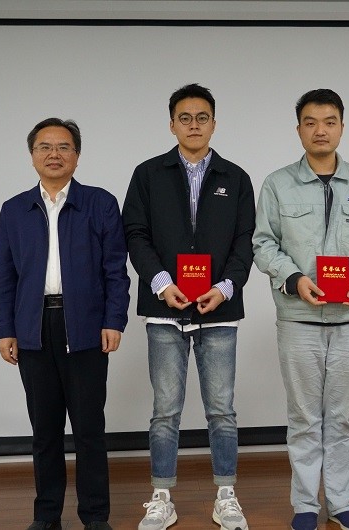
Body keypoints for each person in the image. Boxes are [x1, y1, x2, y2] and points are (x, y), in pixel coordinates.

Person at [252, 88, 349, 530]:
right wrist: (295, 278)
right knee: (303, 417)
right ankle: (305, 506)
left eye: (329, 122)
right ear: (299, 129)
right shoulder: (278, 184)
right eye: (311, 122)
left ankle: (340, 502)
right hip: (298, 319)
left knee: (342, 417)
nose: (320, 130)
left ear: (341, 128)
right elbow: (263, 243)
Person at [122, 83, 255, 530]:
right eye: (185, 118)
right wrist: (161, 284)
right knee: (165, 411)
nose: (193, 125)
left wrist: (225, 287)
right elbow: (135, 234)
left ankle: (226, 495)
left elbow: (245, 242)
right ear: (171, 124)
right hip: (165, 309)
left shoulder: (236, 178)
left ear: (214, 124)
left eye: (202, 118)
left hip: (218, 310)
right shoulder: (148, 174)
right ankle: (161, 497)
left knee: (222, 410)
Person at [0, 118, 130, 530]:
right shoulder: (14, 209)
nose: (54, 154)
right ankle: (47, 515)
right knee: (45, 431)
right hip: (33, 329)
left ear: (77, 155)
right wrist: (6, 328)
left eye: (64, 147)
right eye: (45, 147)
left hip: (85, 327)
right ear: (32, 155)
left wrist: (114, 319)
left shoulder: (99, 203)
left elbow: (116, 270)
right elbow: (4, 275)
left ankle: (95, 517)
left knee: (89, 429)